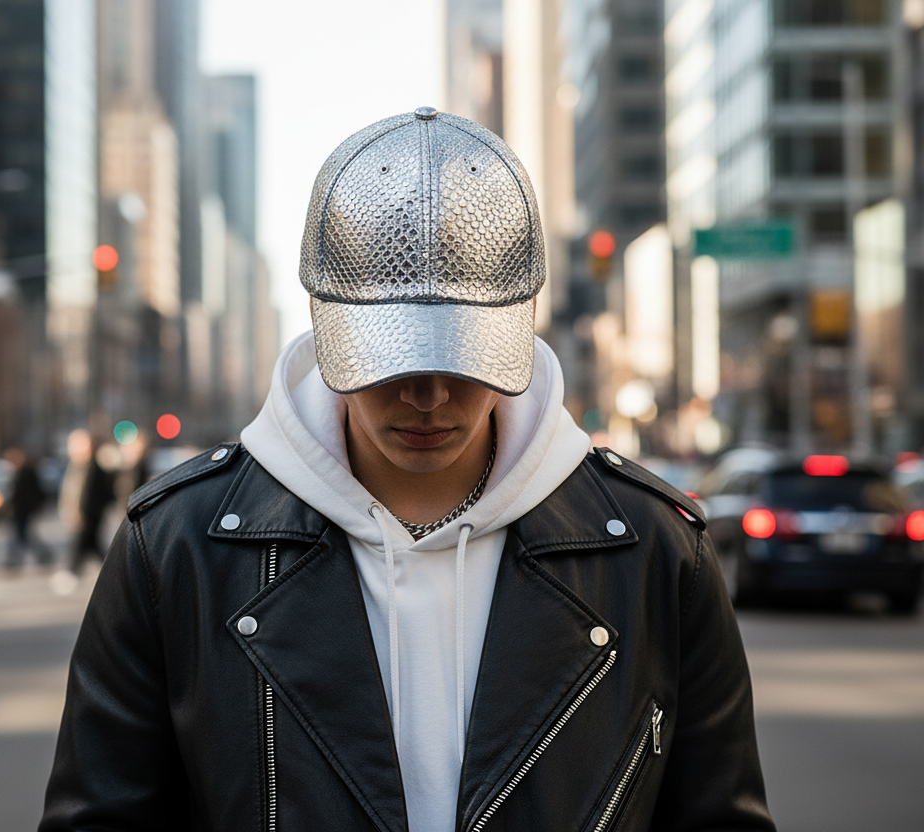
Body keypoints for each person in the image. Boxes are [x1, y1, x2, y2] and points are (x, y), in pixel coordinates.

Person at [41, 110, 773, 831]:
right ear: (320, 317)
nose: (428, 397)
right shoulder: (175, 547)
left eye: (463, 358)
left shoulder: (656, 550)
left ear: (525, 318)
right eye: (390, 360)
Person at [69, 441, 116, 575]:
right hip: (89, 513)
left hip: (90, 514)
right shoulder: (80, 466)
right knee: (92, 545)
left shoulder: (94, 468)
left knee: (83, 544)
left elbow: (88, 494)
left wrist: (82, 512)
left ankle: (73, 571)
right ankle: (110, 570)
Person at [5, 448, 52, 570]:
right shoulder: (19, 473)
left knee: (22, 536)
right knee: (20, 536)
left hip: (24, 510)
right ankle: (17, 560)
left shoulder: (27, 473)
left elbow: (31, 493)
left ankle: (41, 555)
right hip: (20, 510)